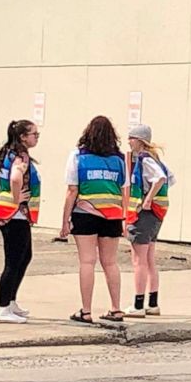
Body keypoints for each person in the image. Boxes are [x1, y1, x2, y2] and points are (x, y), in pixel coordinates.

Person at [60, 116, 128, 323]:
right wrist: (125, 218)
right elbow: (124, 189)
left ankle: (86, 311)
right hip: (113, 215)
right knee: (110, 262)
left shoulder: (78, 157)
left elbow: (72, 190)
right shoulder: (119, 160)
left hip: (85, 213)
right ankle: (116, 309)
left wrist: (64, 221)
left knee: (87, 261)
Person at [0, 120, 41, 324]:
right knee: (13, 262)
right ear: (22, 137)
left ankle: (10, 301)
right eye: (34, 134)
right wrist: (16, 198)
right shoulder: (21, 156)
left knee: (24, 256)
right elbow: (14, 178)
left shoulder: (9, 153)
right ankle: (3, 308)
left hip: (9, 212)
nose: (36, 138)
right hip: (15, 214)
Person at [124, 124, 175, 318]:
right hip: (157, 214)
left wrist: (147, 199)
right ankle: (152, 302)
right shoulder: (155, 159)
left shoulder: (145, 160)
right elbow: (170, 177)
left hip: (145, 213)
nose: (129, 142)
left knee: (139, 260)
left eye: (131, 138)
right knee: (149, 258)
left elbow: (161, 178)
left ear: (139, 140)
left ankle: (138, 304)